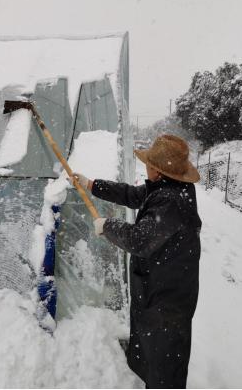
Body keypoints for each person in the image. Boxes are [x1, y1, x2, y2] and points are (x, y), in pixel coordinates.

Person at [72, 134, 202, 389]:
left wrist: (107, 226)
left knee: (165, 358)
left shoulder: (170, 201)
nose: (146, 166)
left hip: (168, 294)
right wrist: (92, 184)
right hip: (164, 283)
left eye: (149, 163)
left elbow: (138, 240)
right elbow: (133, 195)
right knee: (155, 348)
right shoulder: (170, 188)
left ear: (158, 170)